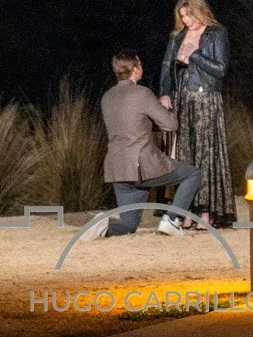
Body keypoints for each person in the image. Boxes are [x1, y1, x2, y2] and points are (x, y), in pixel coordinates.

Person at [79, 50, 201, 239]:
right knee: (193, 174)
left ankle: (101, 227)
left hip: (117, 169)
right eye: (140, 65)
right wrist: (162, 107)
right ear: (136, 69)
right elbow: (171, 125)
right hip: (142, 166)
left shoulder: (107, 98)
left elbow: (131, 126)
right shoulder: (142, 93)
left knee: (128, 225)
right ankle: (172, 220)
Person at [159, 0, 236, 229]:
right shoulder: (176, 37)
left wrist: (195, 56)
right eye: (182, 16)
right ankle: (185, 211)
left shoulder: (216, 33)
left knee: (206, 155)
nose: (186, 21)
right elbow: (166, 66)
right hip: (182, 100)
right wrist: (165, 92)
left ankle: (206, 212)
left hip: (206, 100)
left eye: (188, 15)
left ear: (199, 10)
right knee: (185, 155)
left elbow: (221, 69)